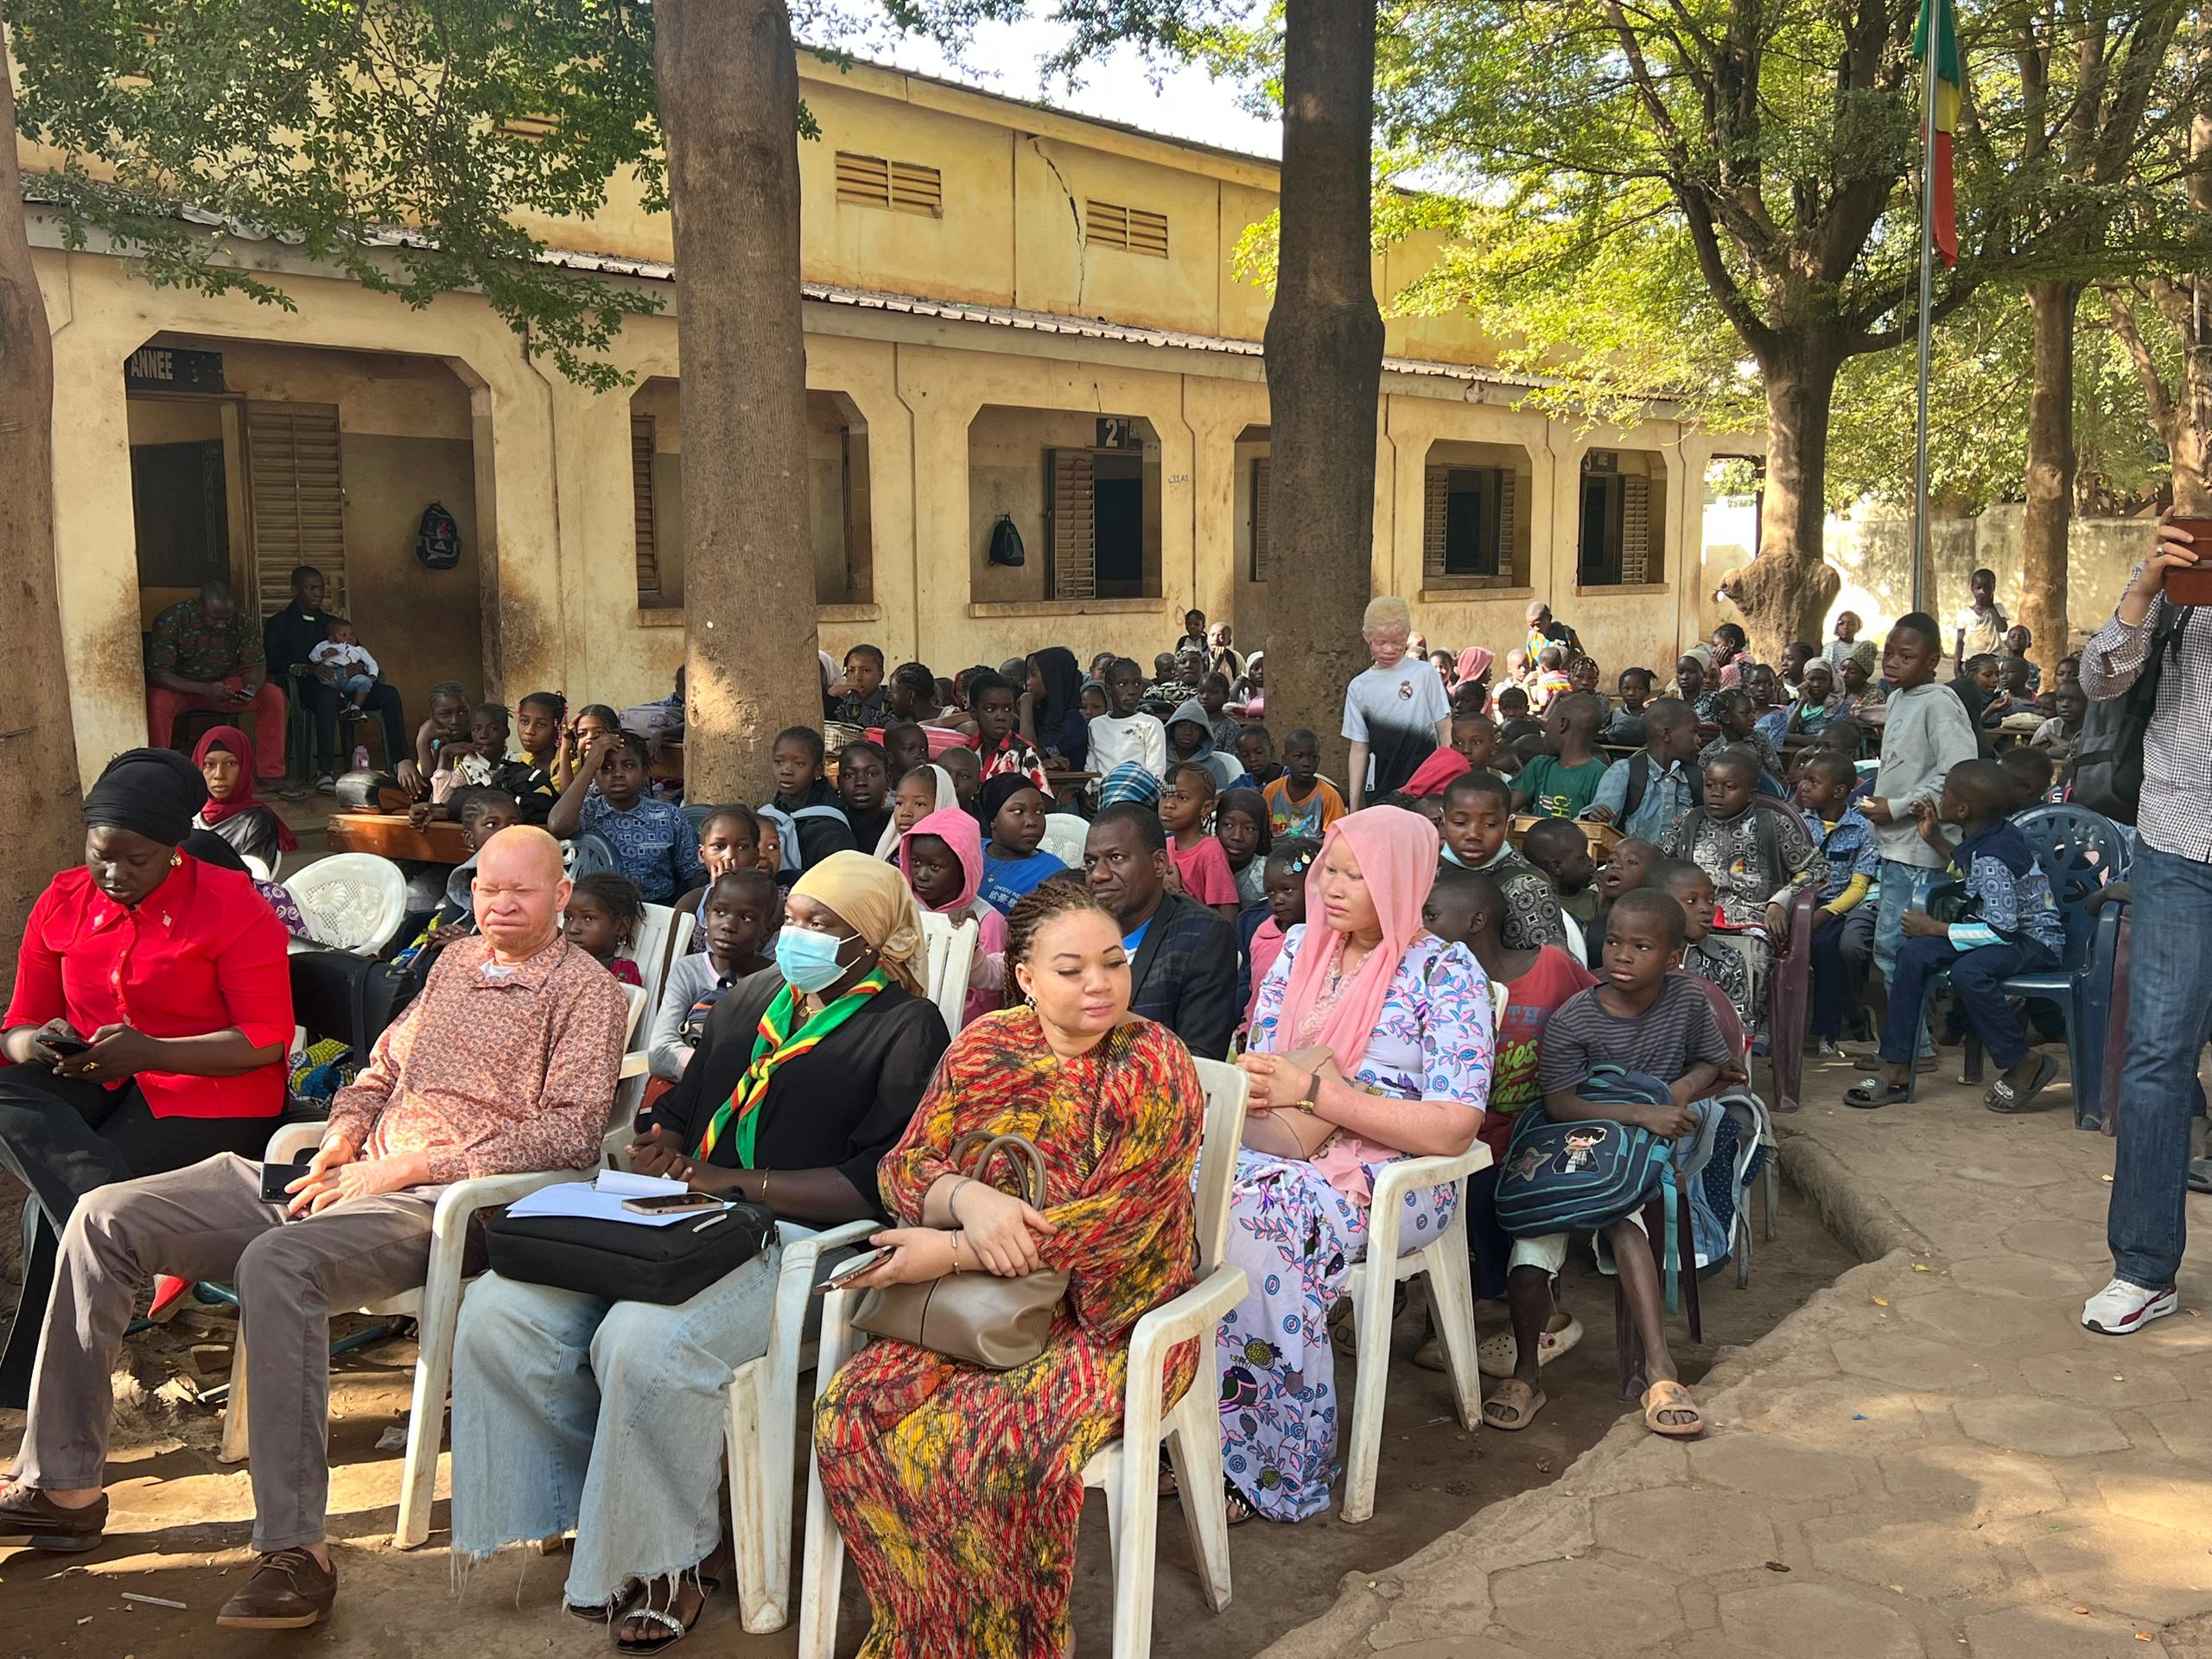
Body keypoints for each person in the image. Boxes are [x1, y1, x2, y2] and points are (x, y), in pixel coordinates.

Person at [0, 827, 624, 1626]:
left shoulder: (585, 993)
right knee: (104, 1216)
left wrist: (407, 1168)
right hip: (342, 1176)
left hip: (440, 1206)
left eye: (523, 892)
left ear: (563, 895)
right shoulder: (456, 961)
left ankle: (296, 1551)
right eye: (487, 890)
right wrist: (340, 1136)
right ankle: (63, 1485)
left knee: (275, 1263)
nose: (499, 906)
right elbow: (379, 1074)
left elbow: (570, 1135)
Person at [450, 852, 946, 1647]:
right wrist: (663, 1143)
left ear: (871, 939)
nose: (799, 937)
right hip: (676, 1218)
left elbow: (881, 1180)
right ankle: (597, 1506)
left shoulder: (906, 1025)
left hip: (801, 1248)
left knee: (642, 1341)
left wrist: (739, 1182)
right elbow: (679, 1108)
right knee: (501, 1311)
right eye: (796, 919)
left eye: (824, 926)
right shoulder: (751, 997)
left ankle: (670, 1556)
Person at [816, 874, 1198, 1656]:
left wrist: (950, 1246)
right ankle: (927, 1628)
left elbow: (1121, 1221)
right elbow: (903, 1166)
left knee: (986, 1445)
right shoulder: (987, 1046)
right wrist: (964, 1197)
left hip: (1113, 1320)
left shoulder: (1154, 1060)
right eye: (1070, 969)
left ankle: (1005, 1642)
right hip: (974, 1313)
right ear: (1024, 977)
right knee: (848, 1417)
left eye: (1113, 961)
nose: (1099, 984)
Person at [0, 748, 294, 1403]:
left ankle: (40, 1390)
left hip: (215, 1093)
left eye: (138, 860)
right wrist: (37, 1043)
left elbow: (263, 1039)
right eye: (102, 854)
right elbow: (19, 1022)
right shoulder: (63, 899)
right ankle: (95, 1193)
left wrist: (153, 1052)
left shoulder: (230, 905)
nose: (115, 873)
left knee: (46, 1216)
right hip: (101, 1077)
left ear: (175, 849)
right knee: (66, 1184)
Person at [1223, 806, 1492, 1520]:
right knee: (1168, 1196)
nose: (1330, 887)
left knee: (1257, 1220)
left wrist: (1318, 1094)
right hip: (1280, 1143)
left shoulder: (1445, 970)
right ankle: (1182, 1424)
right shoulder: (1302, 946)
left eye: (1354, 875)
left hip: (1398, 1173)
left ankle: (1270, 1467)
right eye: (1328, 870)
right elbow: (1262, 1055)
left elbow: (1455, 1125)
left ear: (1401, 881)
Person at [1506, 888, 1738, 1440]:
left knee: (1625, 1219)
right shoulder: (1575, 1018)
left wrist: (1674, 1094)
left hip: (1637, 1155)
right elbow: (1561, 1103)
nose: (1622, 956)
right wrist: (1643, 1112)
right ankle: (1525, 1371)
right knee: (1530, 1251)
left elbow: (1714, 1060)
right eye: (1612, 941)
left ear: (1673, 956)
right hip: (1574, 1146)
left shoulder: (1685, 1000)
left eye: (1641, 946)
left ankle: (1660, 1368)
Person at [2079, 521, 2212, 1335]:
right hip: (2179, 843)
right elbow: (2101, 679)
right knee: (2159, 1055)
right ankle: (2144, 1268)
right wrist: (2145, 590)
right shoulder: (2183, 567)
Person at [1419, 867, 1594, 1400]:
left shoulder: (1552, 969)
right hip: (1469, 1142)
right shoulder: (1434, 980)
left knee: (1515, 1212)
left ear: (1475, 920)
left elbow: (1601, 1016)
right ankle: (1458, 1317)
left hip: (1539, 1135)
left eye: (1430, 916)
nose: (1419, 926)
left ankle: (1538, 1322)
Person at [1846, 760, 2065, 1113]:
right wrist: (1934, 838)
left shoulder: (1996, 853)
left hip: (2034, 941)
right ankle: (1898, 1064)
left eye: (1945, 794)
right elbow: (1973, 874)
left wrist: (1935, 927)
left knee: (1969, 973)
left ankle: (2024, 1062)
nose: (1939, 798)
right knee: (1914, 953)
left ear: (1963, 810)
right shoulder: (1987, 833)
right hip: (2002, 933)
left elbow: (2002, 929)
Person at [1859, 613, 1980, 1068]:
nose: (1892, 663)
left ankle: (1912, 1049)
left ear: (1932, 661)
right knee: (1890, 949)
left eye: (1905, 656)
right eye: (1888, 653)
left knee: (1898, 949)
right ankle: (1909, 1043)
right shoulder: (1902, 699)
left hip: (1920, 850)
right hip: (1895, 847)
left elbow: (1958, 773)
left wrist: (1900, 805)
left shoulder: (1940, 702)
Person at [1084, 804, 1237, 1058]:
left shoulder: (1203, 936)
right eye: (1091, 862)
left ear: (1158, 864)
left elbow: (1201, 1058)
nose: (1098, 874)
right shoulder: (1079, 931)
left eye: (1116, 858)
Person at [261, 566, 408, 791]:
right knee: (328, 696)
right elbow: (274, 663)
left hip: (348, 686)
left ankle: (401, 765)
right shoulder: (279, 624)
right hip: (308, 688)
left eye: (320, 588)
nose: (318, 593)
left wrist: (358, 668)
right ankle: (325, 772)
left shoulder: (332, 624)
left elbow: (359, 650)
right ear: (295, 590)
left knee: (389, 695)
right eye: (310, 588)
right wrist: (310, 670)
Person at [145, 579, 290, 791]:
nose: (222, 624)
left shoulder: (242, 621)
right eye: (215, 618)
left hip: (224, 688)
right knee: (157, 701)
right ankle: (161, 776)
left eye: (226, 618)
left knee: (272, 696)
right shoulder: (172, 619)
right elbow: (158, 674)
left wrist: (250, 688)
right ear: (200, 606)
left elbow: (256, 664)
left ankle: (270, 774)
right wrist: (204, 689)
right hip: (181, 688)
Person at [647, 867, 778, 1081]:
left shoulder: (776, 983)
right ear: (706, 916)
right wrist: (720, 1073)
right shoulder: (688, 971)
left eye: (746, 917)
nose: (728, 925)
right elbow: (660, 1052)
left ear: (767, 929)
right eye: (720, 912)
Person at [547, 728, 706, 904]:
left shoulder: (667, 815)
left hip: (657, 911)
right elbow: (557, 825)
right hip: (599, 909)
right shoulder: (588, 811)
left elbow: (693, 875)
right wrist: (590, 764)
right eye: (606, 768)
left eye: (629, 765)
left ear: (645, 771)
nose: (617, 774)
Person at [1796, 753, 1880, 1058]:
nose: (1803, 786)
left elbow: (1859, 886)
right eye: (1805, 779)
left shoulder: (1863, 829)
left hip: (1837, 907)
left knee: (1827, 949)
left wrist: (1824, 913)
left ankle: (1826, 1032)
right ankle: (1765, 1026)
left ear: (1839, 791)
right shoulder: (1796, 824)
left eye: (1813, 782)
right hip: (1798, 904)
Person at [899, 804, 1008, 1026]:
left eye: (935, 867)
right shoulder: (904, 907)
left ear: (964, 868)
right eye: (916, 863)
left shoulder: (987, 920)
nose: (921, 875)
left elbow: (985, 999)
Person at [1343, 595, 1452, 810]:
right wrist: (1355, 806)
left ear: (1407, 636)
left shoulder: (1424, 674)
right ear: (1367, 637)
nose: (1389, 650)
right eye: (1381, 642)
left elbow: (1444, 728)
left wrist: (1446, 775)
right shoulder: (1360, 687)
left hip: (1425, 781)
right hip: (1382, 785)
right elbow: (1358, 747)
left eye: (1397, 642)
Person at [1439, 770, 1567, 949]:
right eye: (1460, 823)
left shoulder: (1527, 890)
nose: (1473, 835)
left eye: (1490, 824)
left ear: (1510, 827)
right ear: (1443, 824)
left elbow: (1548, 967)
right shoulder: (1429, 876)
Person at [1649, 857, 1753, 1029]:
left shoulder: (1728, 960)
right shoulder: (1641, 954)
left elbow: (1742, 1027)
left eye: (1711, 900)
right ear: (1657, 904)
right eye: (1692, 901)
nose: (1706, 908)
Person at [1586, 697, 1703, 842]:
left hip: (1677, 865)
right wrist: (1596, 817)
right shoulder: (1625, 772)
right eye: (1694, 732)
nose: (1699, 740)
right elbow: (1599, 822)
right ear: (1666, 734)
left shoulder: (1696, 777)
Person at [189, 724, 299, 870]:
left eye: (231, 763)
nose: (219, 775)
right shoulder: (190, 814)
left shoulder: (255, 820)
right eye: (210, 764)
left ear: (245, 766)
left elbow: (254, 877)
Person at [761, 726, 861, 877]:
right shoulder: (774, 813)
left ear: (818, 770)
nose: (786, 770)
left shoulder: (830, 829)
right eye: (779, 762)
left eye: (799, 764)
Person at [1160, 762, 1242, 921]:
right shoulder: (1165, 846)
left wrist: (1177, 894)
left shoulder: (1210, 852)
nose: (1168, 804)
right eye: (1164, 795)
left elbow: (1227, 919)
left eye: (1182, 798)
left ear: (1205, 808)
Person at [977, 775, 1066, 914]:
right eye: (1018, 812)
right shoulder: (971, 852)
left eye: (1039, 812)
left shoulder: (1055, 874)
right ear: (993, 819)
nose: (1031, 821)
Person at [1514, 692, 1610, 819]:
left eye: (1549, 723)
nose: (1546, 730)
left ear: (1563, 724)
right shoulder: (1539, 766)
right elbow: (1505, 809)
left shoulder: (1600, 775)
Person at [1089, 657, 1170, 786]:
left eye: (1137, 684)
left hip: (1137, 793)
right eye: (1122, 684)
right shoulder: (1096, 725)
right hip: (1102, 794)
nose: (1131, 691)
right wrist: (1088, 794)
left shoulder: (1151, 725)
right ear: (1109, 689)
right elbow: (1090, 767)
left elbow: (1156, 773)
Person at [968, 672, 1051, 791]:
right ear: (973, 713)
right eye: (990, 709)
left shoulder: (1023, 753)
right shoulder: (968, 750)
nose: (1001, 716)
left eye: (1007, 709)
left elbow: (1043, 799)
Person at [563, 870, 646, 987]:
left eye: (589, 919)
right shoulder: (559, 961)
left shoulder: (620, 971)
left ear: (621, 927)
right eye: (568, 918)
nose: (573, 929)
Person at [1263, 728, 1346, 840]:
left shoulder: (1329, 796)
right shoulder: (1272, 791)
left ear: (1319, 760)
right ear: (1285, 760)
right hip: (1277, 853)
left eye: (1313, 757)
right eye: (1298, 756)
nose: (1306, 763)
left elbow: (1335, 840)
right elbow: (1263, 833)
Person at [1523, 817, 1599, 932]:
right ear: (1557, 867)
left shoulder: (1595, 900)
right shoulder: (1534, 905)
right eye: (1583, 857)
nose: (1591, 862)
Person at [1022, 645, 1089, 767]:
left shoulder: (1074, 721)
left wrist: (1026, 707)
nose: (1028, 682)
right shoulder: (1041, 713)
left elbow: (1029, 756)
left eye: (1033, 675)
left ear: (1052, 679)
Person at [1217, 785, 1273, 909]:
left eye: (1249, 829)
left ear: (1261, 833)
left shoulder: (1268, 875)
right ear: (1216, 827)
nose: (1237, 836)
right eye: (1228, 825)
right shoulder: (1202, 863)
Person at [836, 739, 893, 850]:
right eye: (849, 775)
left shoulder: (896, 828)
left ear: (888, 780)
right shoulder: (828, 827)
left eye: (872, 774)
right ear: (839, 783)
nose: (860, 782)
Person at [825, 643, 893, 726]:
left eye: (865, 670)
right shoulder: (842, 705)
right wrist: (831, 694)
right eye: (851, 671)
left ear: (880, 676)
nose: (857, 677)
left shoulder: (893, 702)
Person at [1955, 566, 2009, 664]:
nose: (1982, 592)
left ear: (1993, 589)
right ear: (1972, 589)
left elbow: (2002, 628)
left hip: (1994, 658)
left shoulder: (1998, 608)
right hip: (1971, 660)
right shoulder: (1964, 613)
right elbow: (1959, 641)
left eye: (1987, 588)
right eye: (1978, 588)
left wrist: (1991, 607)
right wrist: (1956, 664)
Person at [2031, 681, 2087, 761]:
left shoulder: (2096, 728)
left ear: (2087, 703)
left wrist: (2052, 737)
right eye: (2060, 699)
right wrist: (2047, 753)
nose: (2065, 704)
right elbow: (2028, 757)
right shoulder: (2050, 726)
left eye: (2074, 699)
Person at [1824, 610, 1878, 678]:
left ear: (1858, 627)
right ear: (1836, 627)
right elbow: (1825, 669)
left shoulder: (1862, 647)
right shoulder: (1831, 647)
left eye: (1851, 624)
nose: (1845, 627)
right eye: (1841, 623)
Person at [1237, 724, 1283, 790]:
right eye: (1245, 755)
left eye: (1259, 752)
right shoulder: (1239, 785)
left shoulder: (1292, 779)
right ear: (1239, 757)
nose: (1252, 759)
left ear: (1272, 750)